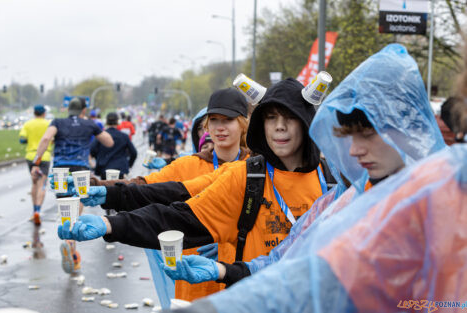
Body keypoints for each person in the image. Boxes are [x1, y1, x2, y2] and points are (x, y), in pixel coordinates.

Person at [154, 43, 451, 313]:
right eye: (348, 136)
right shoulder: (343, 199)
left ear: (405, 130)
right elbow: (285, 263)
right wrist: (221, 272)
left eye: (367, 134)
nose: (355, 150)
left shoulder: (446, 202)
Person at [57, 78, 327, 299]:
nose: (280, 126)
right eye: (271, 117)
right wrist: (109, 220)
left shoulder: (335, 180)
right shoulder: (246, 176)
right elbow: (175, 204)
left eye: (289, 117)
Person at [83, 88, 251, 301]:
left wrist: (228, 239)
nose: (220, 127)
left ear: (243, 124)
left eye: (228, 120)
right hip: (193, 279)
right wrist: (99, 186)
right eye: (214, 120)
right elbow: (145, 187)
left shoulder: (255, 169)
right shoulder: (188, 165)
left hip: (238, 280)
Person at [32, 96, 114, 274]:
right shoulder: (90, 124)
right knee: (77, 206)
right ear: (84, 110)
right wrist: (93, 131)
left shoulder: (58, 122)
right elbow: (109, 142)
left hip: (61, 169)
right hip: (80, 169)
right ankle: (71, 246)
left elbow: (46, 139)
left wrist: (37, 160)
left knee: (65, 209)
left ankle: (71, 247)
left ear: (68, 109)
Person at [19, 105, 52, 225]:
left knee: (34, 183)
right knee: (42, 184)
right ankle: (38, 210)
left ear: (34, 113)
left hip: (31, 156)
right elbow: (52, 139)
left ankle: (34, 212)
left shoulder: (28, 124)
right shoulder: (48, 124)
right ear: (44, 113)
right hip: (45, 156)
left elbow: (22, 140)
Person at [90, 112, 137, 180]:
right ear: (118, 122)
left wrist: (99, 159)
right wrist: (128, 165)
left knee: (106, 189)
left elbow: (92, 151)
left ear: (106, 122)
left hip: (104, 170)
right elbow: (134, 153)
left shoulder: (101, 136)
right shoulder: (124, 136)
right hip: (120, 170)